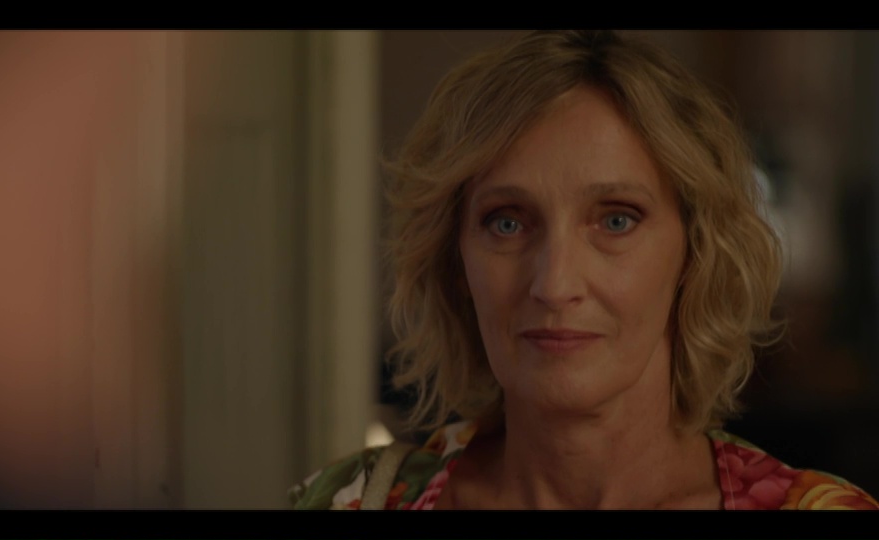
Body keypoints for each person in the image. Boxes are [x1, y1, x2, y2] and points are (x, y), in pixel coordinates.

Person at [290, 30, 879, 510]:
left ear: (695, 254)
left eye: (616, 220)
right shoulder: (350, 500)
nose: (555, 285)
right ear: (456, 261)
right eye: (507, 223)